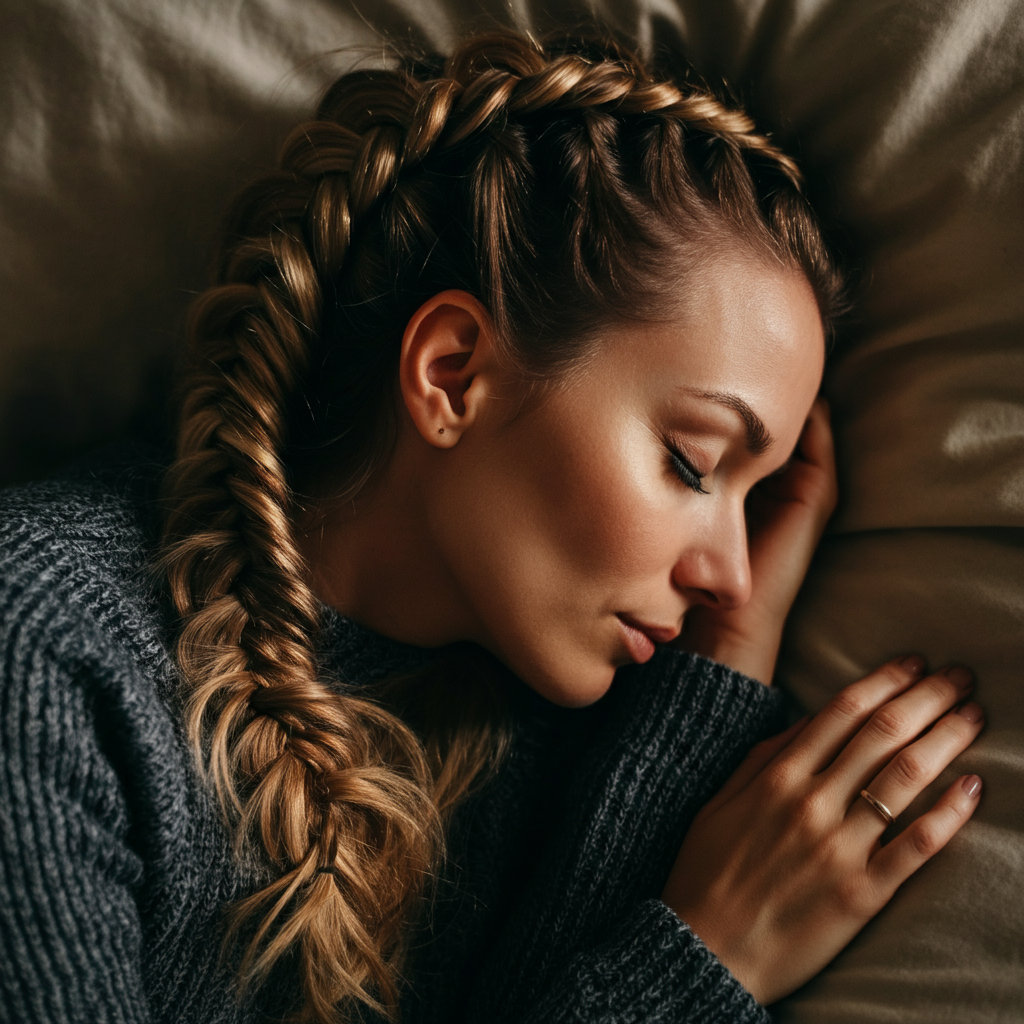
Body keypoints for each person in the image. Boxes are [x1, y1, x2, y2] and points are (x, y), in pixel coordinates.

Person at [0, 29, 984, 1024]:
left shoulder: (532, 734)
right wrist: (703, 963)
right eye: (693, 462)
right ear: (453, 373)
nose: (729, 572)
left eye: (754, 492)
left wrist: (720, 672)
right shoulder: (47, 641)